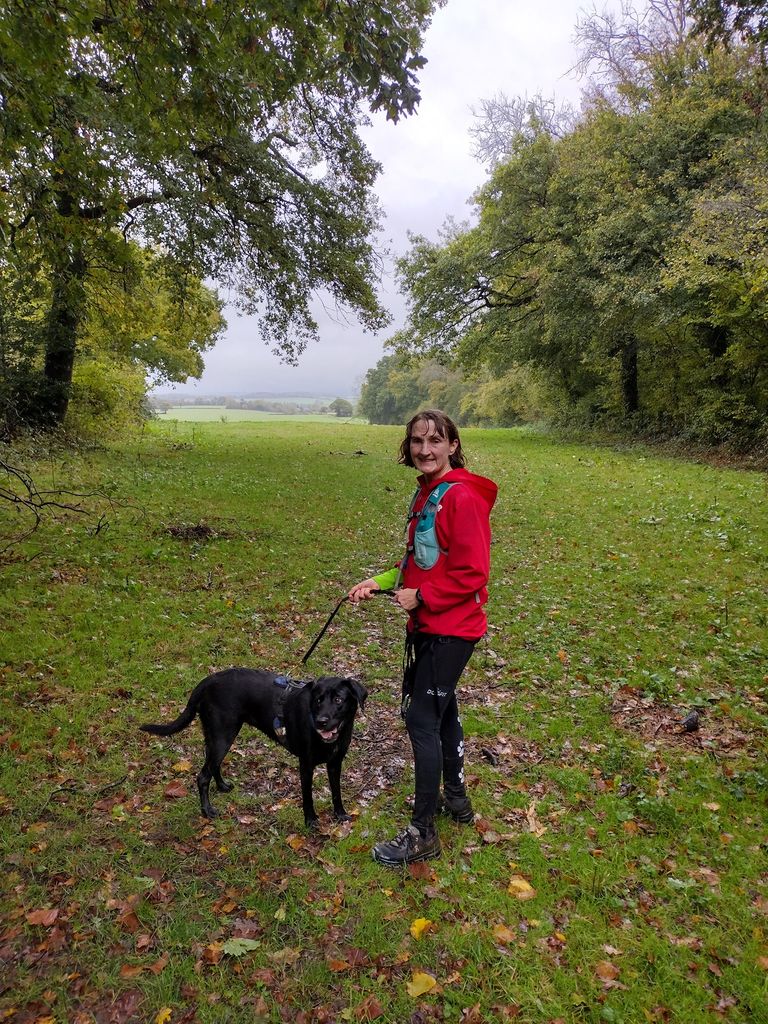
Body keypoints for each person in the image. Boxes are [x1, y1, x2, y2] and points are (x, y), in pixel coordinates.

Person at [349, 409, 498, 867]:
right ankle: (456, 799)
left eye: (435, 440)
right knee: (442, 709)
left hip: (451, 630)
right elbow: (421, 563)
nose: (425, 450)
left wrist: (424, 598)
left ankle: (422, 833)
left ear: (453, 445)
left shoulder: (461, 498)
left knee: (421, 722)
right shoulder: (428, 494)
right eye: (417, 442)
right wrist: (379, 581)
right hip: (434, 627)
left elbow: (473, 573)